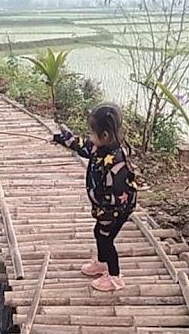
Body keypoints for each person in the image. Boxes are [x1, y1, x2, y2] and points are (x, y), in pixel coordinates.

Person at [52, 103, 138, 291]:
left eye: (92, 133)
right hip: (105, 208)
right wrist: (62, 139)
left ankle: (115, 277)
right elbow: (83, 146)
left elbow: (117, 193)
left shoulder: (116, 162)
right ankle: (102, 263)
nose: (90, 137)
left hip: (115, 209)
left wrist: (105, 214)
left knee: (106, 239)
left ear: (105, 135)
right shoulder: (100, 148)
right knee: (99, 233)